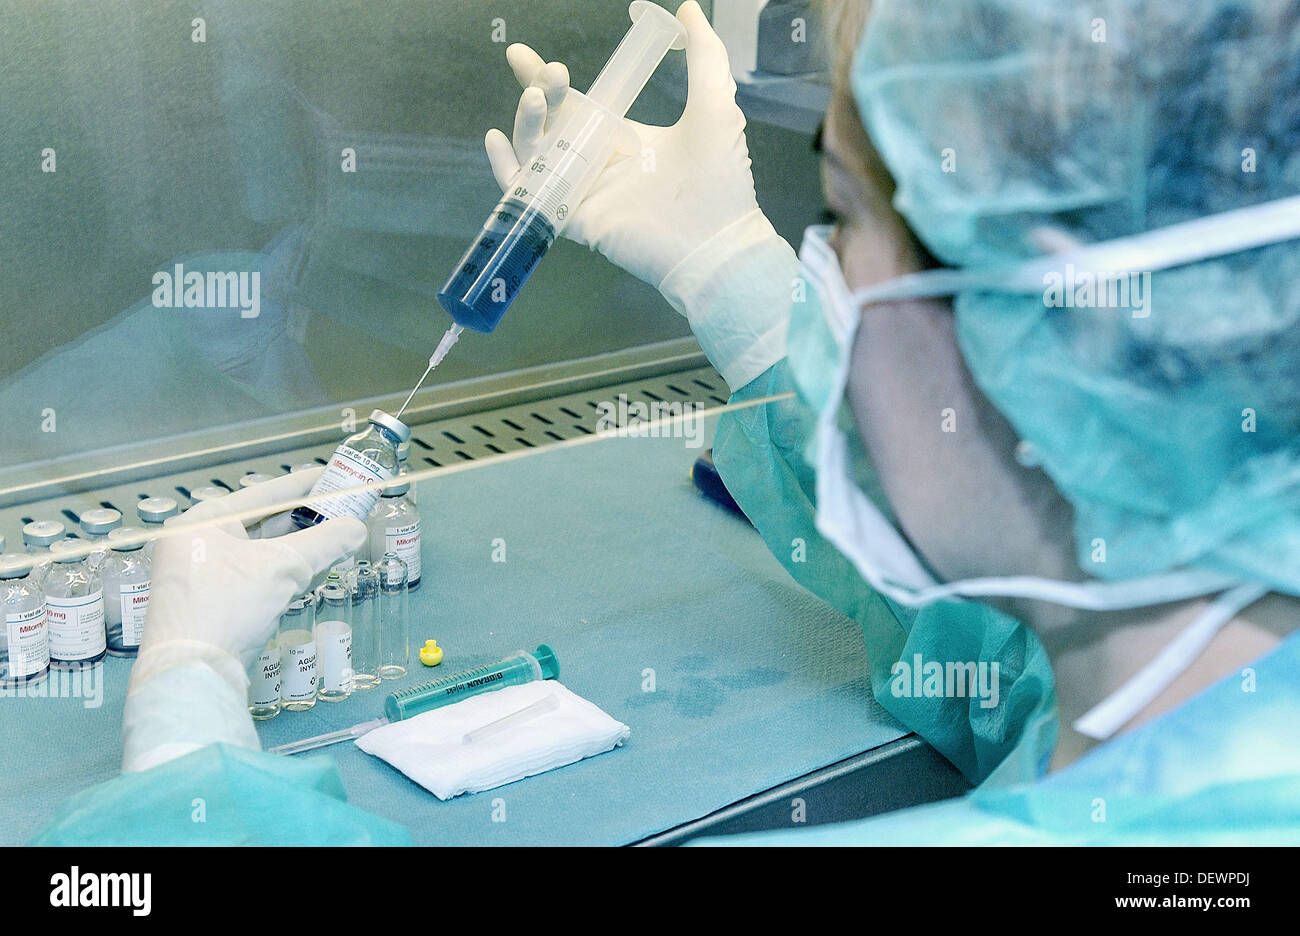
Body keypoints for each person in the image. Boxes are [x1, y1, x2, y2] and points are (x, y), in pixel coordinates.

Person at [40, 0, 1300, 844]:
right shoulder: (1194, 679)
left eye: (842, 216)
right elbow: (995, 633)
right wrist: (726, 274)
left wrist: (187, 737)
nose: (823, 274)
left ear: (1012, 311)